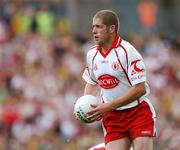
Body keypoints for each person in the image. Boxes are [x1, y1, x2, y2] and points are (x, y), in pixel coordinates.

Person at [82, 10, 157, 150]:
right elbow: (92, 82)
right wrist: (84, 105)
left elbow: (140, 88)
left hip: (137, 113)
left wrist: (110, 105)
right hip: (113, 118)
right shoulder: (91, 54)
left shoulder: (127, 51)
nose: (93, 31)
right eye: (93, 27)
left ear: (112, 28)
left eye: (98, 27)